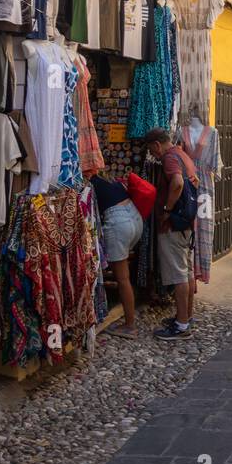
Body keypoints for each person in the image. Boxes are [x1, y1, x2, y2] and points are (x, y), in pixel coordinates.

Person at [140, 128, 199, 341]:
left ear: (157, 144)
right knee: (186, 271)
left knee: (178, 274)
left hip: (174, 226)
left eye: (151, 150)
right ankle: (186, 317)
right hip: (186, 224)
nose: (153, 155)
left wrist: (166, 210)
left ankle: (181, 326)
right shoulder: (183, 154)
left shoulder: (169, 158)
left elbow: (178, 183)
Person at [90, 171, 144, 339]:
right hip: (134, 217)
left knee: (122, 278)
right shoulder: (108, 177)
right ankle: (128, 318)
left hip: (119, 222)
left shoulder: (89, 183)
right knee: (122, 275)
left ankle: (129, 325)